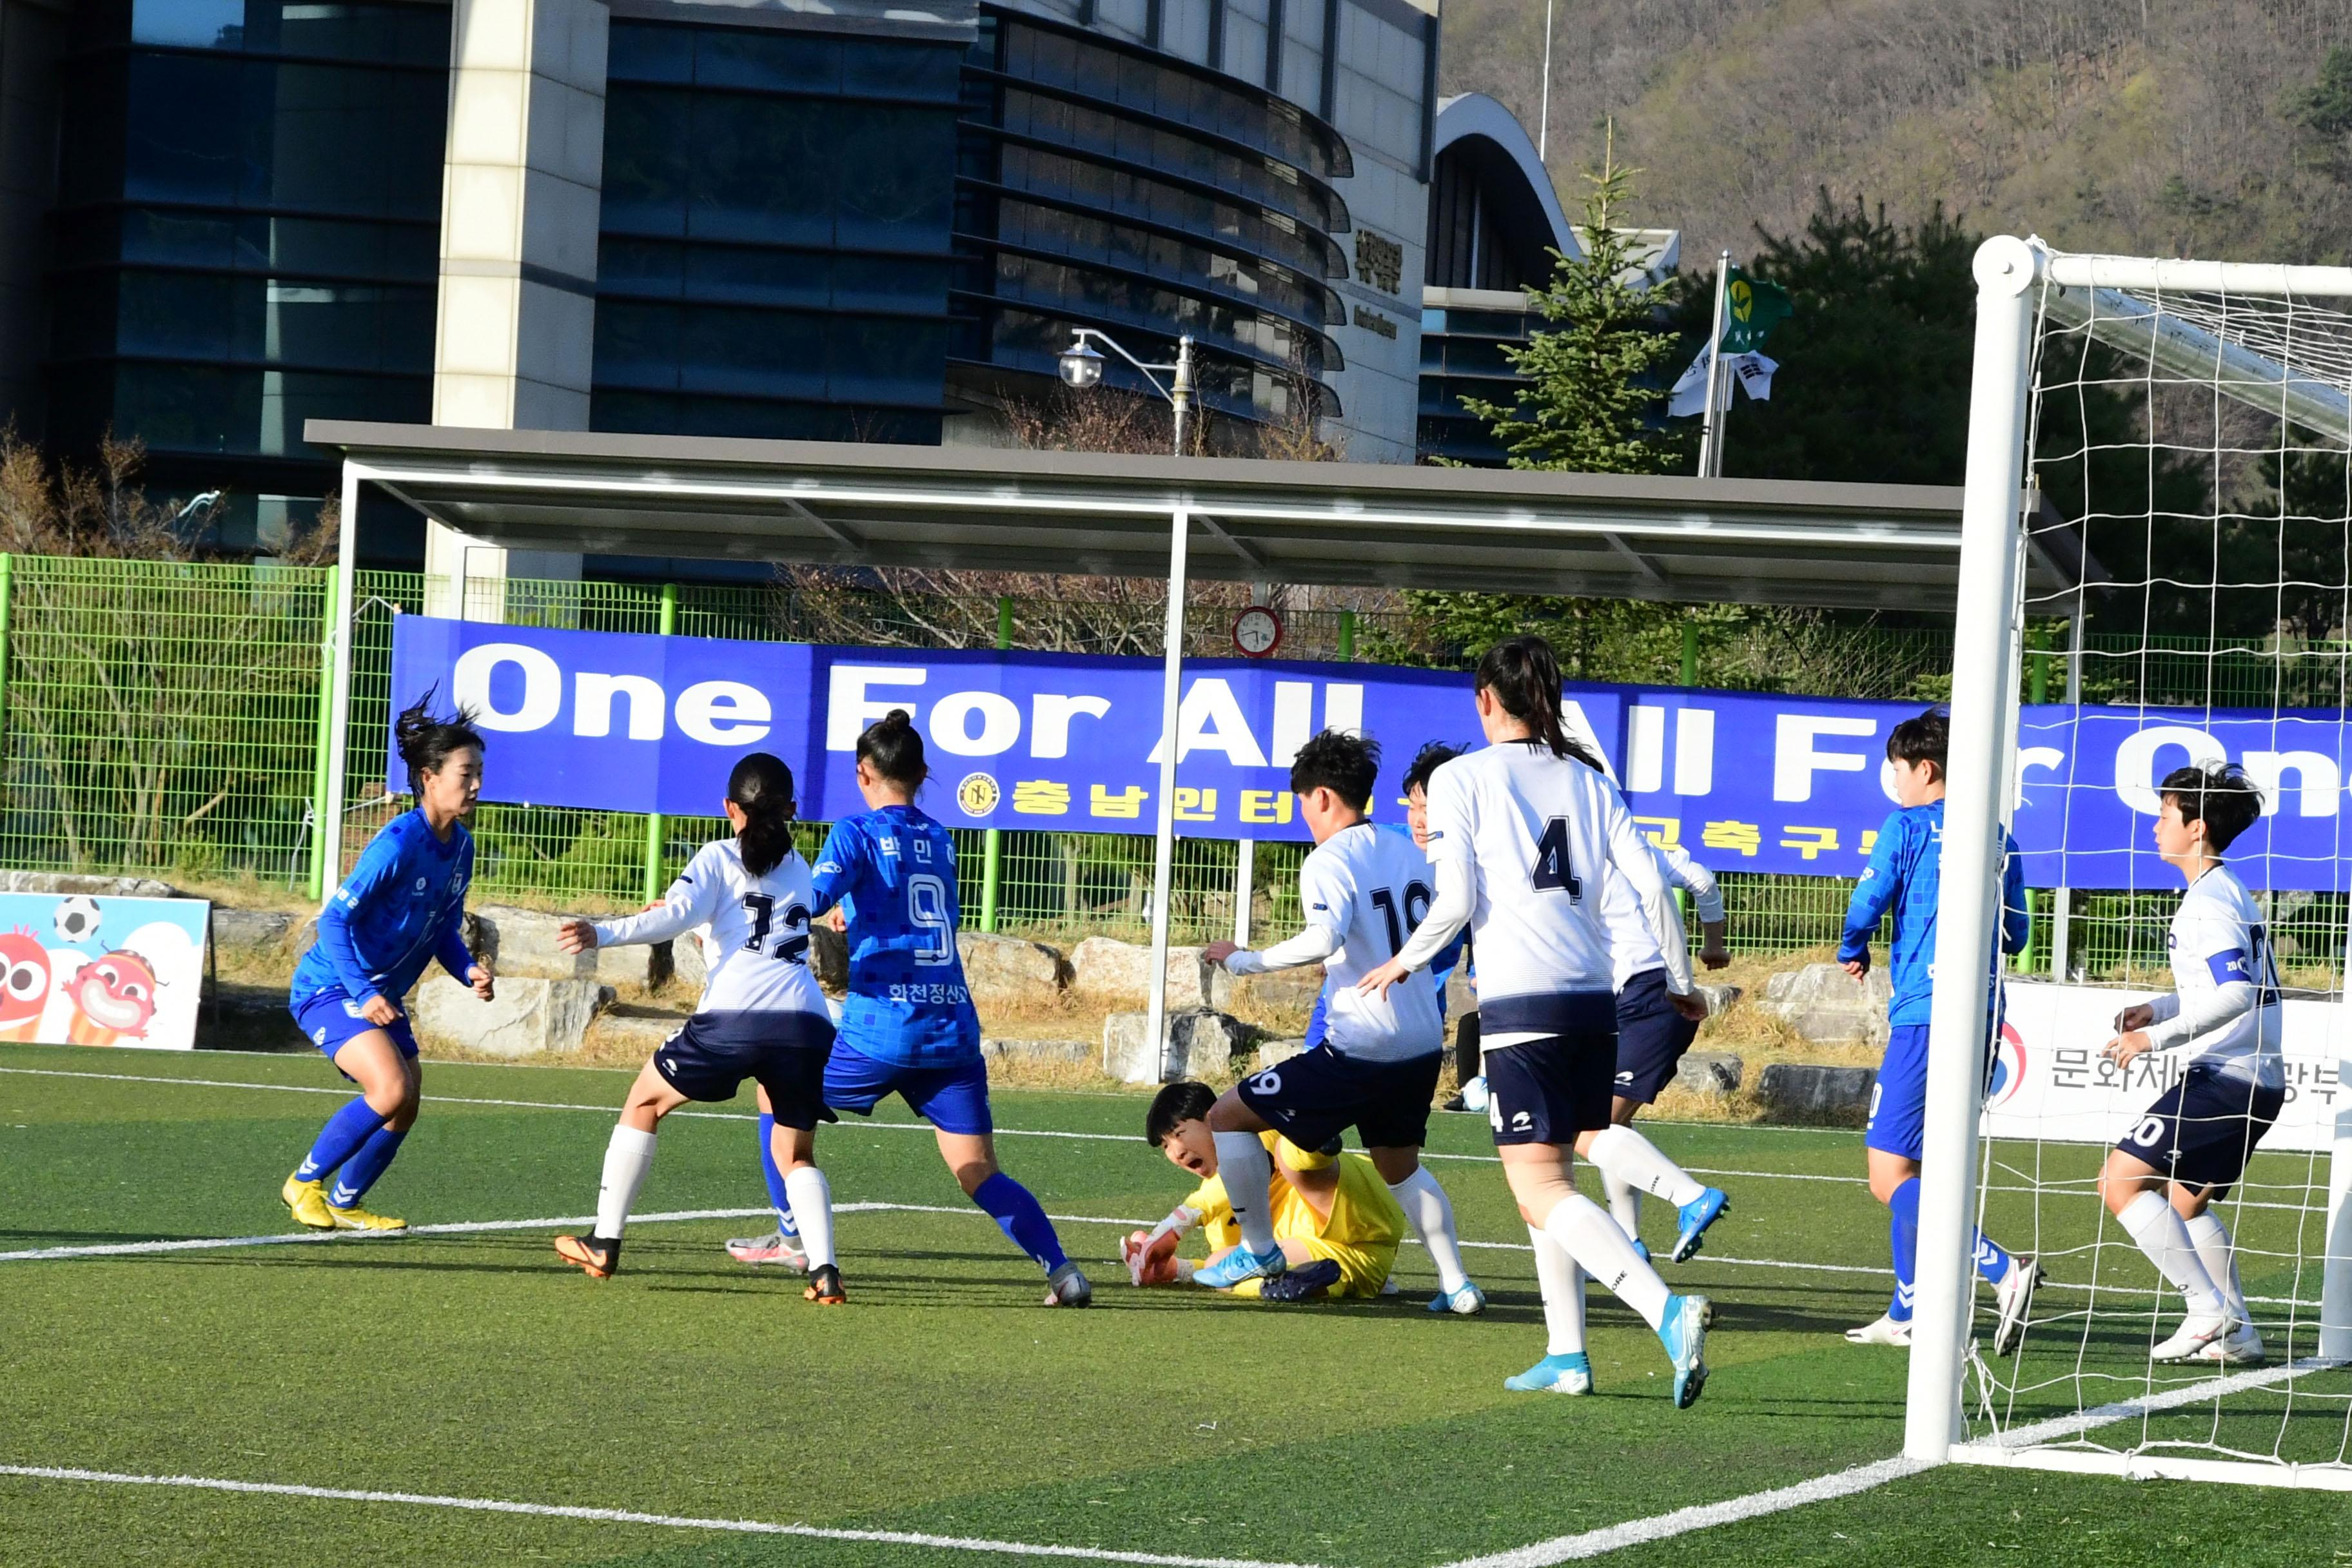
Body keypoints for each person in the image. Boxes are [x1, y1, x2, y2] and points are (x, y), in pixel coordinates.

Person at [1358, 636, 1713, 1406]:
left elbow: (1453, 903)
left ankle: (1667, 1308)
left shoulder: (1459, 778)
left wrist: (1401, 962)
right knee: (1552, 1176)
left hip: (1522, 1007)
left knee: (1540, 1186)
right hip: (1596, 1003)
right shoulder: (1588, 779)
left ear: (1487, 698)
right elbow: (1653, 883)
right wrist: (1682, 982)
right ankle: (1567, 1352)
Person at [731, 710, 1092, 1308]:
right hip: (950, 1030)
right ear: (921, 775)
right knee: (978, 1171)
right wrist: (860, 907)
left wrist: (729, 899)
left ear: (863, 773)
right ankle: (1062, 1271)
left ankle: (794, 1237)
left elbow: (806, 900)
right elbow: (925, 915)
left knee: (775, 1091)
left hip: (881, 1028)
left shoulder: (855, 833)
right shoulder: (941, 838)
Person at [1195, 729, 1485, 1316]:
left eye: (1302, 801)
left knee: (1226, 1116)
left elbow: (1323, 938)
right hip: (1423, 1041)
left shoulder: (1328, 859)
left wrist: (1243, 959)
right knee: (1401, 1168)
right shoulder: (1409, 849)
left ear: (1323, 797)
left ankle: (1260, 1252)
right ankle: (1458, 1285)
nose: (1304, 815)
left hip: (1362, 1047)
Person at [548, 753, 845, 1304]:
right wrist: (706, 929)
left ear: (729, 808)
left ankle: (605, 1242)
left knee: (643, 1104)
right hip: (806, 1025)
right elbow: (745, 931)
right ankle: (825, 1272)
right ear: (790, 812)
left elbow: (676, 916)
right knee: (797, 1155)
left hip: (735, 1018)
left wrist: (602, 933)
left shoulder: (717, 855)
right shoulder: (801, 868)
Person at [1838, 707, 2040, 1351]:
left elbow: (1870, 895)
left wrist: (1853, 943)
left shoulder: (1907, 825)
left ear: (1925, 768)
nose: (1893, 782)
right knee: (1928, 1163)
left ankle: (2002, 1268)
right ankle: (1909, 1307)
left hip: (1927, 1013)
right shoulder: (1997, 834)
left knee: (1887, 1173)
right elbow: (2018, 930)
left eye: (1897, 770)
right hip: (1985, 1012)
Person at [280, 691, 494, 1233]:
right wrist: (366, 992)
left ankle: (346, 1203)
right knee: (390, 1089)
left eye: (479, 773)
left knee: (406, 1103)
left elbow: (443, 926)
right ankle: (304, 1183)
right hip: (331, 986)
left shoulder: (462, 848)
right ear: (429, 777)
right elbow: (333, 921)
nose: (475, 784)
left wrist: (468, 969)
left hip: (379, 994)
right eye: (465, 773)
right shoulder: (398, 842)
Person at [2096, 762, 2282, 1366]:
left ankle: (2207, 1311)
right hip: (2256, 1080)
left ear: (2196, 828)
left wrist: (2159, 1039)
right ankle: (2241, 1333)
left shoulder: (2206, 904)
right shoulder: (2227, 892)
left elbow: (2236, 995)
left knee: (2119, 1182)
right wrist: (2158, 1007)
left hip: (2227, 1078)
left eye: (2165, 815)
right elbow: (2223, 985)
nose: (2155, 826)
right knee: (2184, 1202)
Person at [1125, 1081, 1406, 1301]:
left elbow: (1232, 1181)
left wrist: (1176, 1225)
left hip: (1364, 1220)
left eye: (1178, 1134)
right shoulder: (1214, 1207)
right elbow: (1225, 1267)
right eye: (1165, 1146)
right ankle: (1275, 1287)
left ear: (1213, 1118)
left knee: (1289, 1154)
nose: (1176, 1152)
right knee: (1221, 1262)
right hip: (1348, 1264)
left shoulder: (1256, 1135)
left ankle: (1314, 1140)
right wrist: (1174, 1270)